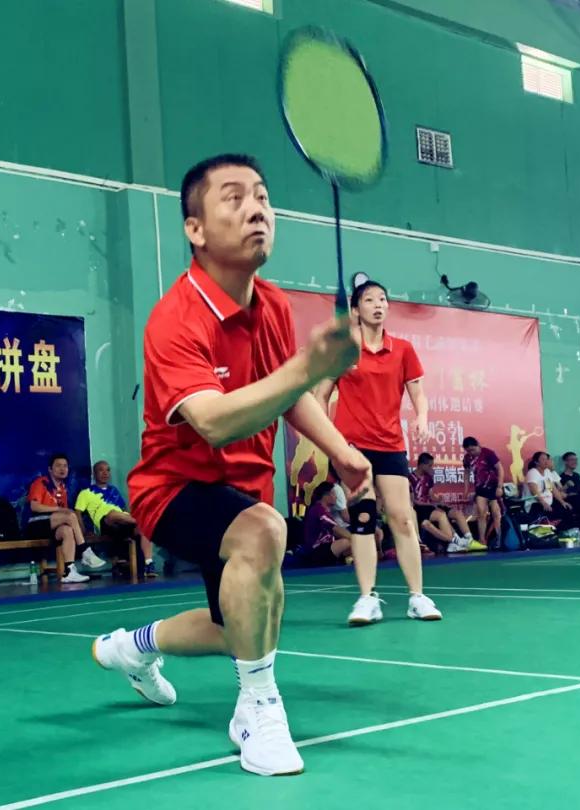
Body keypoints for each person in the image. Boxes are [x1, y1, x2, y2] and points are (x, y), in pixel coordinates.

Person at [90, 154, 372, 777]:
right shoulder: (175, 319)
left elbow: (286, 391)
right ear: (194, 228)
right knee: (264, 533)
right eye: (235, 198)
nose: (257, 210)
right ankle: (258, 711)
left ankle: (132, 649)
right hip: (173, 490)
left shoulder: (271, 304)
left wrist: (342, 451)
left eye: (263, 197)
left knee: (238, 626)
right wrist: (309, 367)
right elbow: (214, 421)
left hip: (243, 492)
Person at [313, 278, 442, 626]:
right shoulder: (344, 350)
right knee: (364, 517)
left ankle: (417, 597)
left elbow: (418, 393)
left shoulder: (402, 349)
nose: (378, 305)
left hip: (391, 445)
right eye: (369, 300)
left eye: (382, 299)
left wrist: (422, 419)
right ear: (356, 310)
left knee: (402, 518)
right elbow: (320, 395)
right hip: (353, 449)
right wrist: (330, 439)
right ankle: (367, 598)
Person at [26, 454, 106, 584]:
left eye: (65, 466)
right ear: (50, 469)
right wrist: (59, 509)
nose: (62, 469)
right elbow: (34, 506)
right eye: (58, 466)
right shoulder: (41, 482)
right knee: (70, 515)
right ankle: (85, 551)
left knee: (67, 531)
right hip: (35, 524)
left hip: (52, 526)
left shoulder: (63, 488)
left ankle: (69, 571)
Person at [76, 460, 156, 578]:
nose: (105, 473)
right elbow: (77, 513)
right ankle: (141, 521)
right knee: (112, 514)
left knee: (143, 528)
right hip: (107, 523)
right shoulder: (85, 492)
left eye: (108, 470)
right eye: (101, 470)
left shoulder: (114, 490)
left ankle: (148, 563)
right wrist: (83, 532)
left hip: (124, 521)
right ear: (94, 473)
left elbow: (124, 510)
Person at [410, 453, 476, 553]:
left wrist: (439, 501)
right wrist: (431, 505)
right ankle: (453, 543)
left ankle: (469, 540)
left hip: (430, 505)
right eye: (429, 466)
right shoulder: (410, 478)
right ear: (422, 465)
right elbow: (413, 501)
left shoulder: (428, 477)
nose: (431, 468)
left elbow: (431, 495)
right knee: (441, 514)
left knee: (456, 513)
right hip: (420, 507)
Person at [297, 482, 352, 567]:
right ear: (326, 496)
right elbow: (335, 529)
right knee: (346, 542)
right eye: (334, 494)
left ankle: (346, 560)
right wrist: (355, 539)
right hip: (315, 551)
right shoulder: (318, 509)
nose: (336, 497)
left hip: (325, 548)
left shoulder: (326, 511)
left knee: (350, 542)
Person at [525, 451, 574, 523]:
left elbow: (552, 489)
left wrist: (562, 502)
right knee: (553, 516)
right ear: (536, 462)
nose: (546, 461)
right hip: (535, 504)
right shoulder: (532, 472)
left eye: (547, 459)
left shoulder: (547, 472)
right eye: (543, 459)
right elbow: (534, 491)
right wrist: (544, 503)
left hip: (548, 503)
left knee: (566, 509)